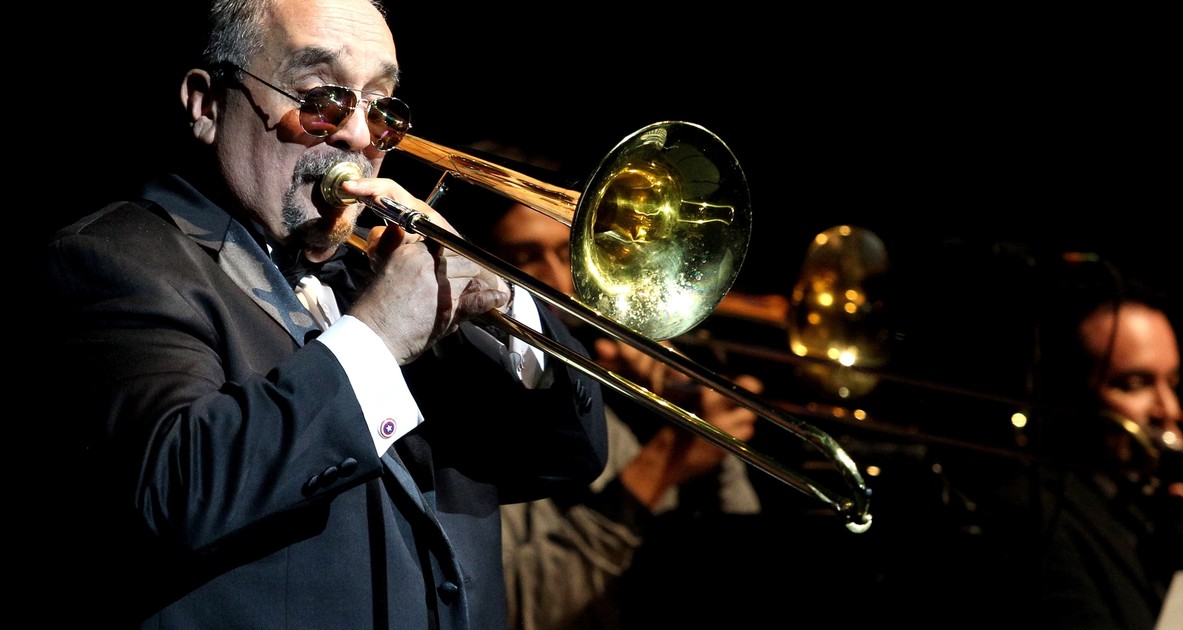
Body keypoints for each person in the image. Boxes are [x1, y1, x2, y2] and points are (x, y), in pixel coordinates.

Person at [34, 1, 608, 628]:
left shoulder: (382, 278)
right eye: (322, 99)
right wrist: (378, 337)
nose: (359, 137)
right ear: (207, 105)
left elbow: (569, 459)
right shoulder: (112, 259)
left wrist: (504, 304)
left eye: (382, 109)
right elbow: (176, 492)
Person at [441, 187, 767, 630]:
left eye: (566, 253)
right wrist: (663, 459)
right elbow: (514, 607)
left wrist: (698, 422)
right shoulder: (469, 408)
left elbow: (740, 551)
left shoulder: (611, 396)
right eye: (526, 257)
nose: (560, 280)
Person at [970, 269, 1183, 629]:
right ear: (1070, 395)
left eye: (1171, 382)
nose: (1168, 409)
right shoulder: (1031, 515)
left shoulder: (1159, 510)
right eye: (1134, 384)